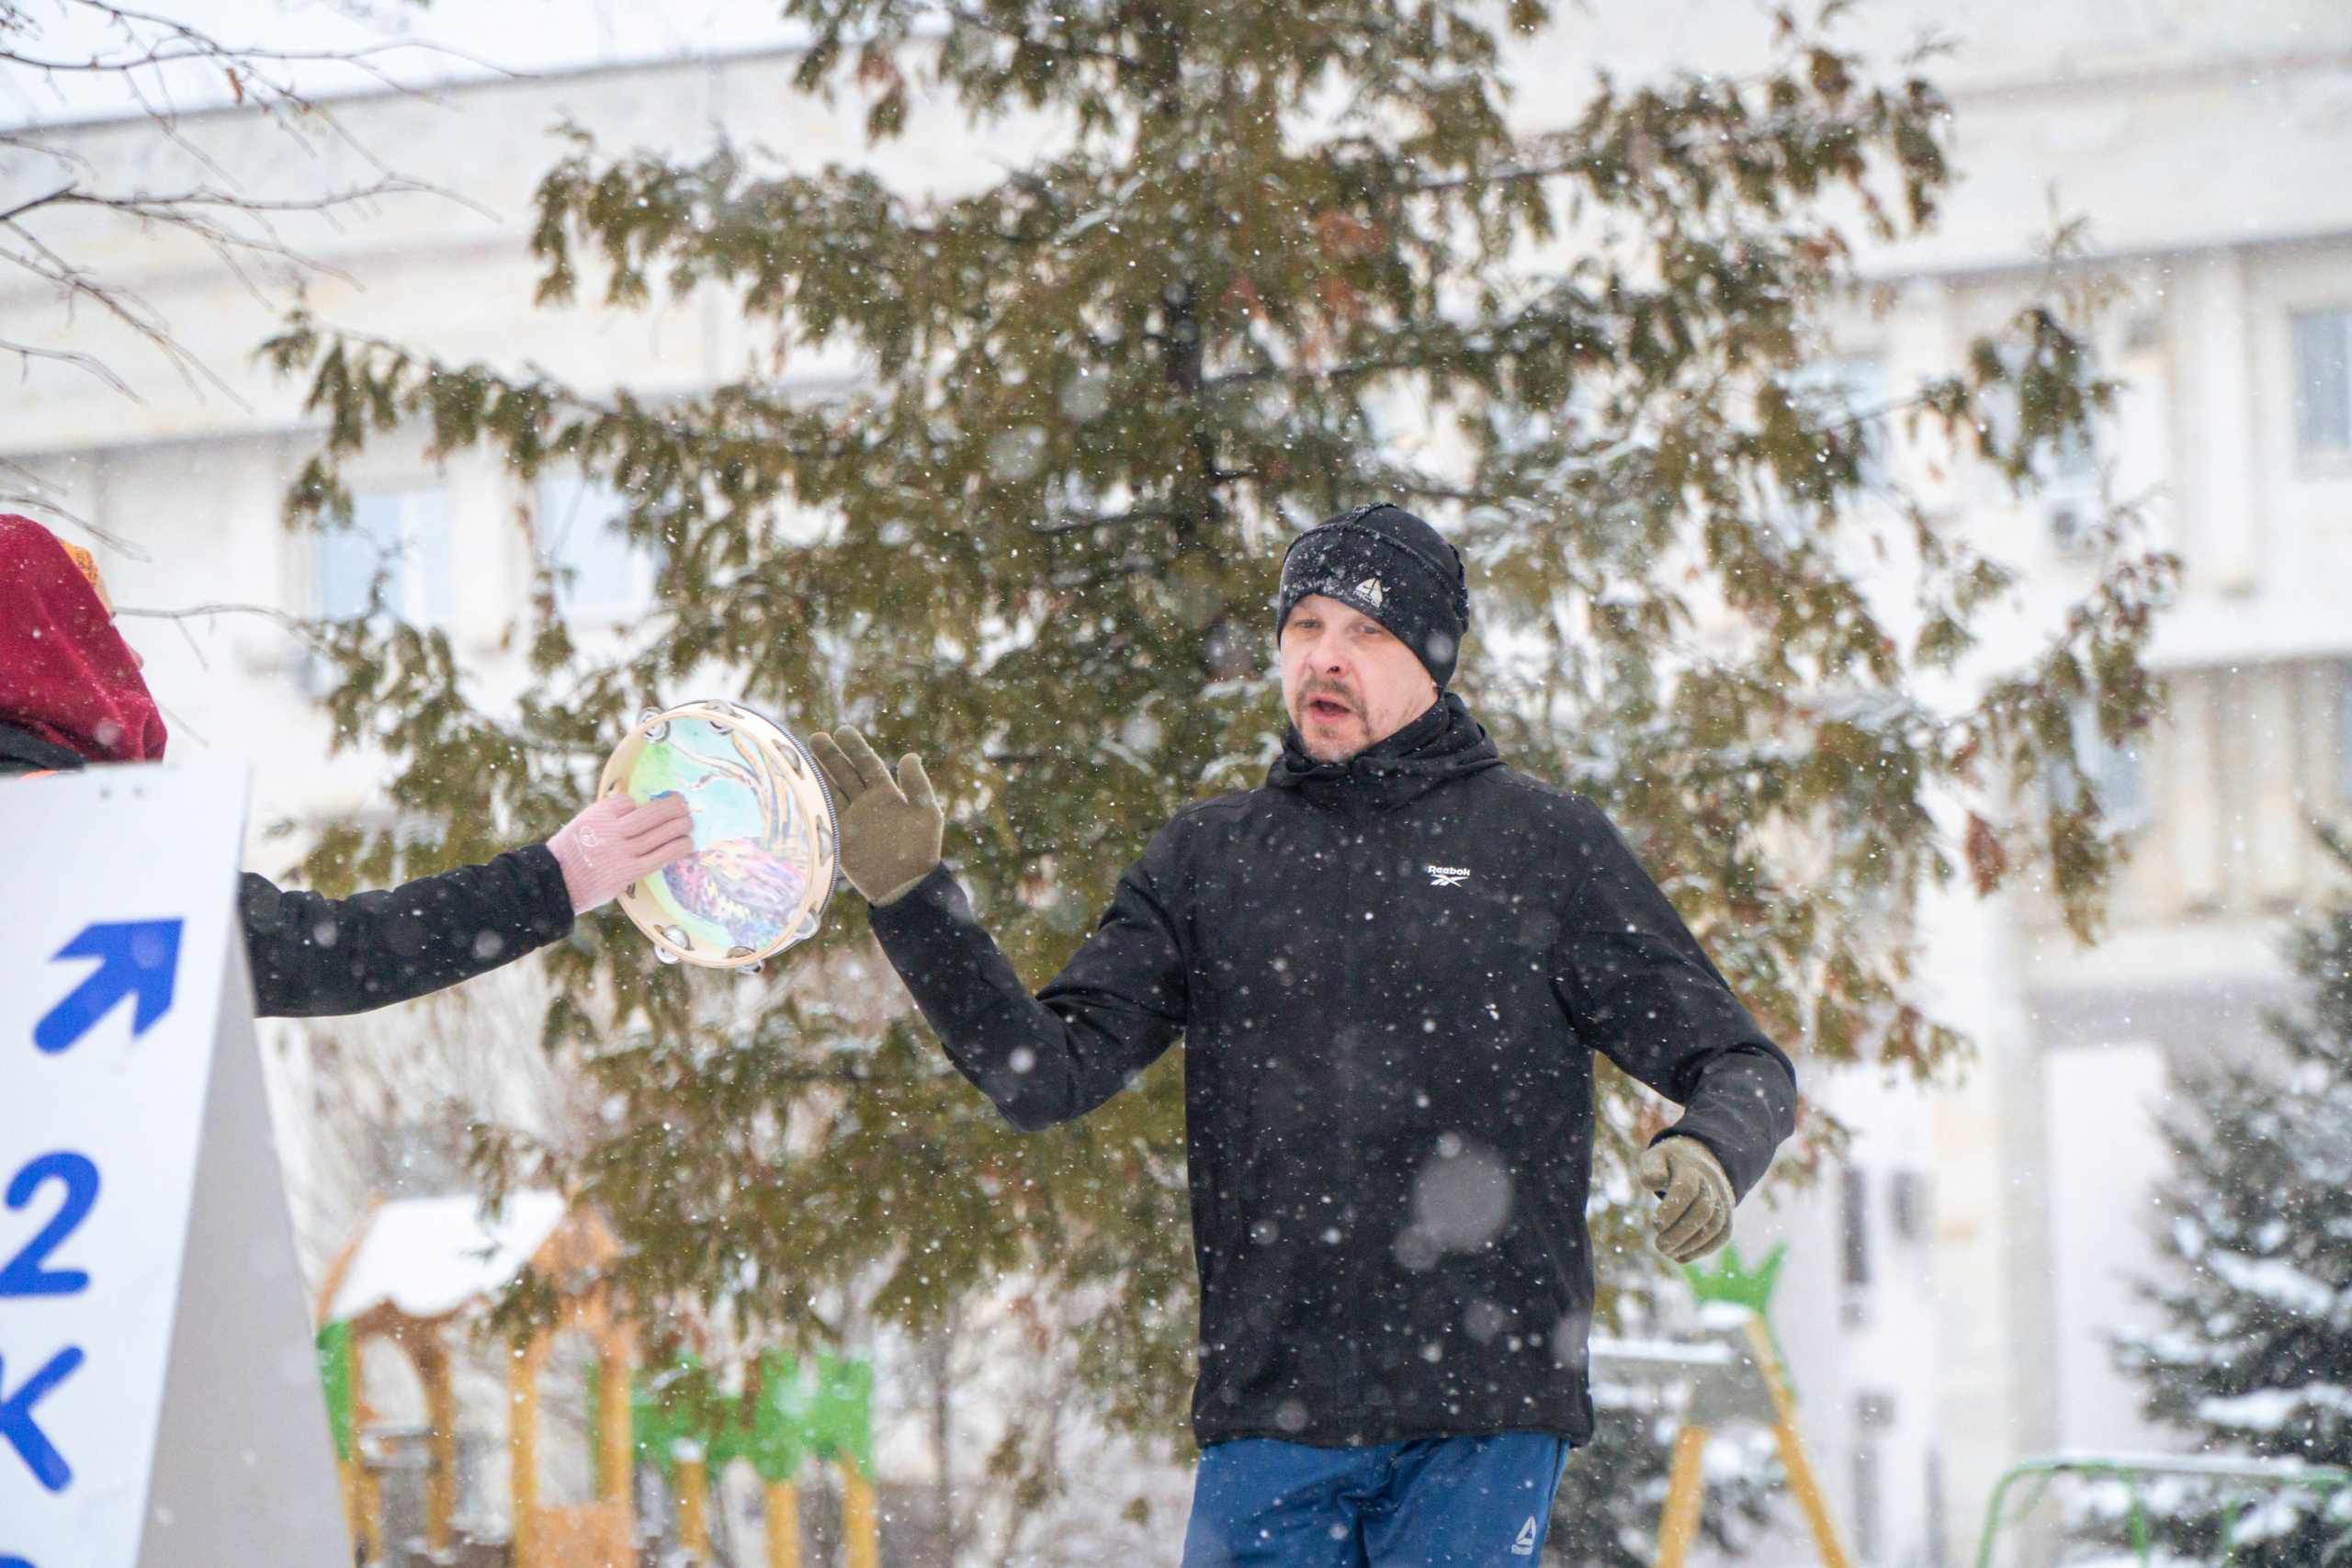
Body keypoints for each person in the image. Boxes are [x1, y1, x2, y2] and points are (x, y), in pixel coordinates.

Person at [810, 502, 1800, 1566]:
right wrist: (913, 902)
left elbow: (1739, 1061)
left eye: (1366, 631)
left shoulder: (1541, 847)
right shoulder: (1209, 860)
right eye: (1305, 626)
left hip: (1482, 1408)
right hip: (1272, 1408)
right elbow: (1044, 1076)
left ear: (1432, 662)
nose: (1326, 657)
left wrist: (1712, 1148)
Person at [0, 513, 693, 1017]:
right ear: (43, 651)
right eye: (98, 631)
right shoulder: (49, 823)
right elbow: (320, 955)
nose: (133, 658)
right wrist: (554, 878)